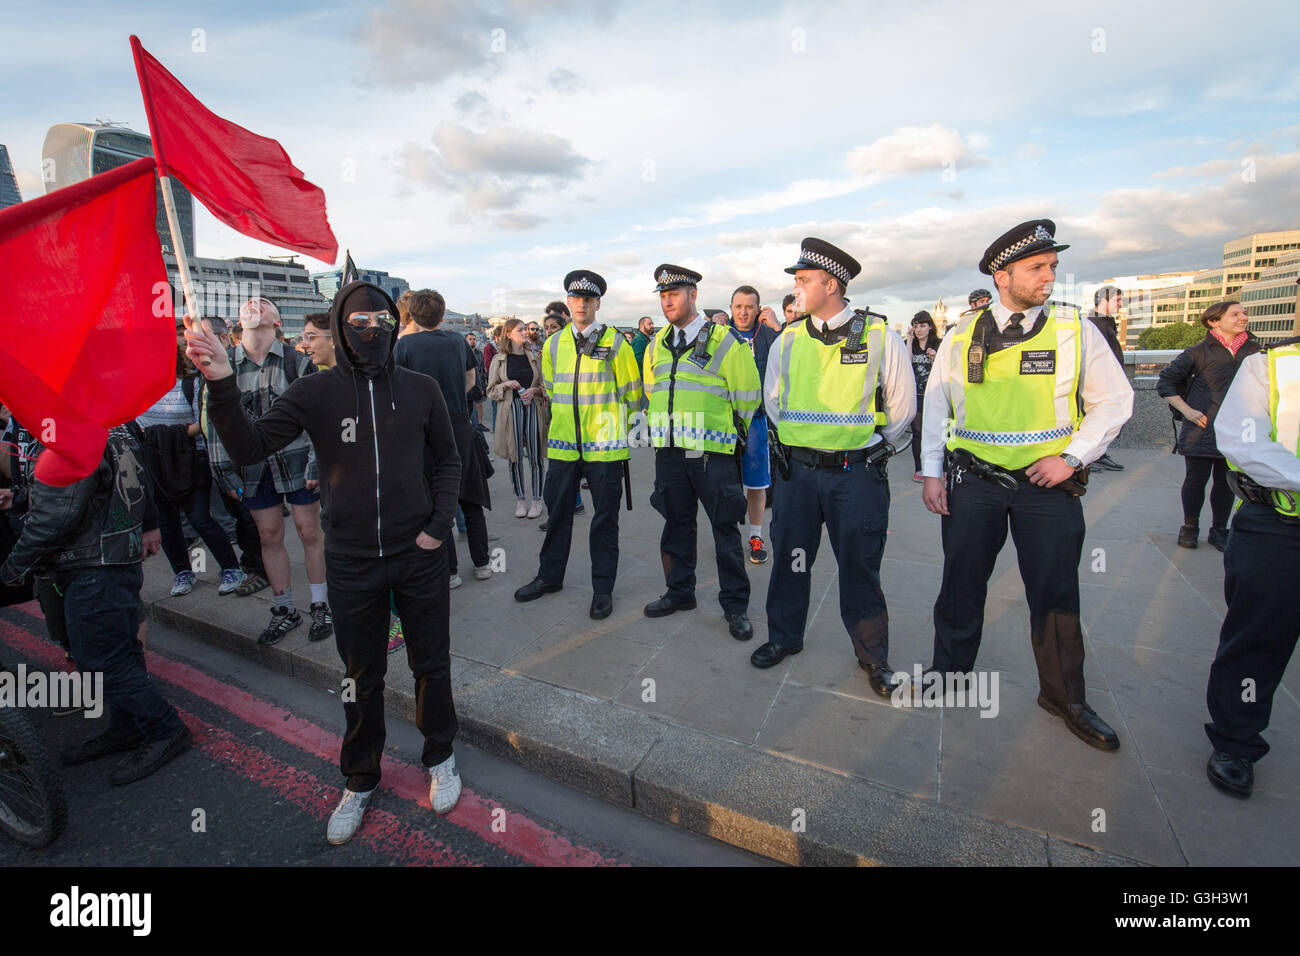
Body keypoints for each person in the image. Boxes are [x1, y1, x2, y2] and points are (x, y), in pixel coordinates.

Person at [186, 279, 465, 843]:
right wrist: (219, 382)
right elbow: (247, 447)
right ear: (341, 328)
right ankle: (360, 778)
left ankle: (440, 756)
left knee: (431, 664)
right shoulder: (315, 392)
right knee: (360, 675)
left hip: (419, 557)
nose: (372, 333)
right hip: (352, 560)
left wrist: (437, 530)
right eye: (359, 324)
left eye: (382, 323)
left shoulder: (421, 388)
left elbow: (449, 461)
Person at [920, 219, 1133, 750]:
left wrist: (1072, 457)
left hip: (1047, 487)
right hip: (975, 482)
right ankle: (951, 673)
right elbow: (935, 408)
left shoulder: (1074, 329)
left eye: (1053, 267)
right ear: (1002, 274)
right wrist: (931, 472)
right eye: (1038, 268)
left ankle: (1064, 696)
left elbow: (1114, 401)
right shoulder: (961, 333)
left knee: (1055, 593)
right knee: (961, 584)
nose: (1049, 277)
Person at [755, 238, 915, 697]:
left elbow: (902, 407)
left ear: (830, 284)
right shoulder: (787, 339)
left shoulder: (881, 335)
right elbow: (774, 401)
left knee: (860, 566)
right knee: (790, 559)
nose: (796, 288)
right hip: (799, 475)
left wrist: (867, 448)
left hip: (856, 474)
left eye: (803, 280)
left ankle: (873, 657)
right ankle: (784, 637)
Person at [0, 424, 192, 786]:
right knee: (120, 652)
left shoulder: (70, 433)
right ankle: (127, 727)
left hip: (93, 565)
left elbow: (56, 517)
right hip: (108, 559)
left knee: (102, 661)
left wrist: (12, 569)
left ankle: (165, 729)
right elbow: (86, 487)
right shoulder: (102, 420)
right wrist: (21, 499)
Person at [1202, 333, 1300, 798]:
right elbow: (1244, 442)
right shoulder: (1272, 364)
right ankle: (1236, 740)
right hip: (1281, 523)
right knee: (1258, 638)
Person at [514, 270, 642, 619]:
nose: (581, 304)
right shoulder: (554, 344)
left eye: (588, 299)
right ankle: (549, 577)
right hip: (564, 446)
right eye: (576, 299)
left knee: (604, 521)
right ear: (568, 303)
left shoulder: (616, 342)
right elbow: (553, 389)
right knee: (558, 516)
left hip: (605, 448)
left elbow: (633, 394)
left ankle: (602, 590)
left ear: (597, 303)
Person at [643, 265, 761, 640]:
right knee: (675, 526)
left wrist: (725, 431)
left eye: (674, 294)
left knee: (725, 529)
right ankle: (680, 593)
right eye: (662, 295)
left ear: (693, 296)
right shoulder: (656, 344)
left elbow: (748, 396)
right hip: (669, 452)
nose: (667, 301)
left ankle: (735, 606)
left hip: (711, 454)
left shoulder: (726, 340)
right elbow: (652, 391)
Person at [208, 297, 332, 646]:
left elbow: (315, 419)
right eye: (249, 301)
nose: (254, 303)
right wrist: (225, 473)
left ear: (277, 322)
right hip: (253, 470)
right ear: (238, 321)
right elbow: (216, 421)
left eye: (264, 302)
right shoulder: (224, 362)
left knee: (309, 532)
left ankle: (320, 605)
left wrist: (314, 464)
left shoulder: (297, 362)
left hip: (296, 460)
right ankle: (285, 609)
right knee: (269, 536)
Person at [394, 290, 493, 589]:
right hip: (460, 425)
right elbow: (471, 381)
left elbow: (399, 389)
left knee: (436, 504)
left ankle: (449, 571)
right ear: (443, 312)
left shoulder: (404, 345)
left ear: (412, 313)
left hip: (424, 432)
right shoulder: (457, 340)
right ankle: (483, 562)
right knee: (470, 498)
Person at [136, 343, 247, 596]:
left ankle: (231, 567)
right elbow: (134, 420)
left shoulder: (191, 385)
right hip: (154, 462)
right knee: (167, 522)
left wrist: (163, 434)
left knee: (199, 518)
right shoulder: (140, 387)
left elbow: (203, 424)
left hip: (190, 460)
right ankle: (183, 572)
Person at [1157, 301, 1260, 552]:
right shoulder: (1197, 352)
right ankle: (1190, 527)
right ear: (1214, 321)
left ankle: (1219, 530)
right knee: (1196, 479)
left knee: (1226, 482)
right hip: (1201, 427)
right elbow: (1166, 382)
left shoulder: (1256, 351)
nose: (1242, 317)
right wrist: (1188, 411)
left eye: (1243, 313)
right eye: (1234, 314)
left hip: (1237, 428)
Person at [727, 285, 779, 563]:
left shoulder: (770, 335)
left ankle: (756, 536)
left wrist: (779, 327)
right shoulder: (721, 337)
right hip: (726, 422)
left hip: (757, 420)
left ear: (758, 309)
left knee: (757, 485)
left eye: (749, 306)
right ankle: (730, 535)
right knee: (727, 484)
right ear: (731, 308)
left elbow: (794, 360)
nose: (743, 311)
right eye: (738, 306)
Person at [488, 318, 550, 519]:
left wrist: (534, 390)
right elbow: (490, 390)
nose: (525, 332)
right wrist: (505, 385)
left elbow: (544, 387)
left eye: (526, 329)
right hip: (510, 410)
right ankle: (520, 499)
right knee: (514, 456)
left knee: (535, 455)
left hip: (532, 408)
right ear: (508, 334)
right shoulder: (499, 360)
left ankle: (537, 500)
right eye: (520, 330)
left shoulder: (534, 358)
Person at [1087, 285, 1127, 472]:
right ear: (1104, 300)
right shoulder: (1094, 324)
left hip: (1109, 378)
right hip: (1099, 381)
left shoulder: (1106, 322)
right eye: (1117, 300)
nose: (1120, 304)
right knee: (1096, 418)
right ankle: (1090, 456)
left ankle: (1097, 454)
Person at [905, 311, 941, 482]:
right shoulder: (910, 344)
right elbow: (905, 363)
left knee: (938, 431)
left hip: (933, 395)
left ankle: (940, 468)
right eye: (916, 326)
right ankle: (920, 469)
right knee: (917, 432)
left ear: (930, 327)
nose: (918, 330)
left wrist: (934, 358)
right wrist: (910, 340)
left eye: (922, 326)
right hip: (916, 395)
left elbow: (943, 371)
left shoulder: (938, 344)